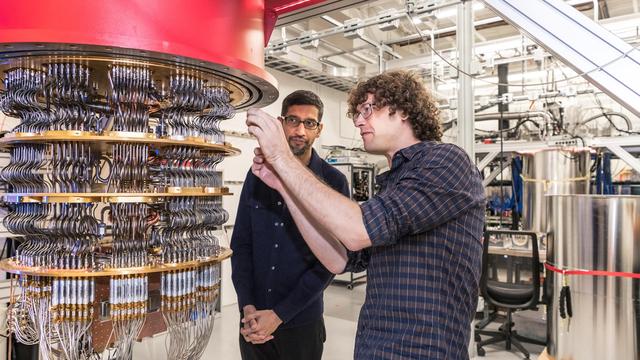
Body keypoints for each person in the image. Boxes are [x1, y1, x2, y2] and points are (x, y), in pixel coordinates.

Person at [245, 70, 485, 359]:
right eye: (357, 113)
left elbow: (358, 230)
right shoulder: (392, 184)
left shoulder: (446, 162)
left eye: (368, 109)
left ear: (404, 110)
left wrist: (282, 157)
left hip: (424, 351)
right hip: (374, 348)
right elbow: (340, 259)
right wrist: (283, 186)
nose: (359, 121)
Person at [231, 90, 350, 360]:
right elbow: (241, 243)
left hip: (301, 323)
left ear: (319, 130)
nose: (299, 130)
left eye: (309, 123)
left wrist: (279, 314)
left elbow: (331, 261)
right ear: (281, 123)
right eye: (293, 120)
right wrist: (247, 306)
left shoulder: (334, 182)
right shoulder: (257, 175)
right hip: (253, 321)